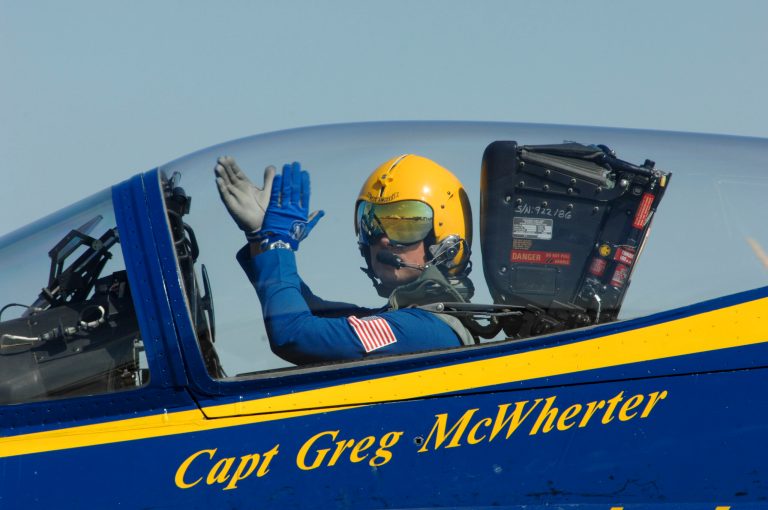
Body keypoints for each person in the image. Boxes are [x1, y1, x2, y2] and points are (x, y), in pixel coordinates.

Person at [215, 154, 475, 365]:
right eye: (371, 222)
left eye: (405, 224)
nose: (382, 239)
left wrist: (278, 244)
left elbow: (295, 334)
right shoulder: (409, 321)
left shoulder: (424, 333)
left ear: (445, 240)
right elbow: (307, 310)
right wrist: (261, 239)